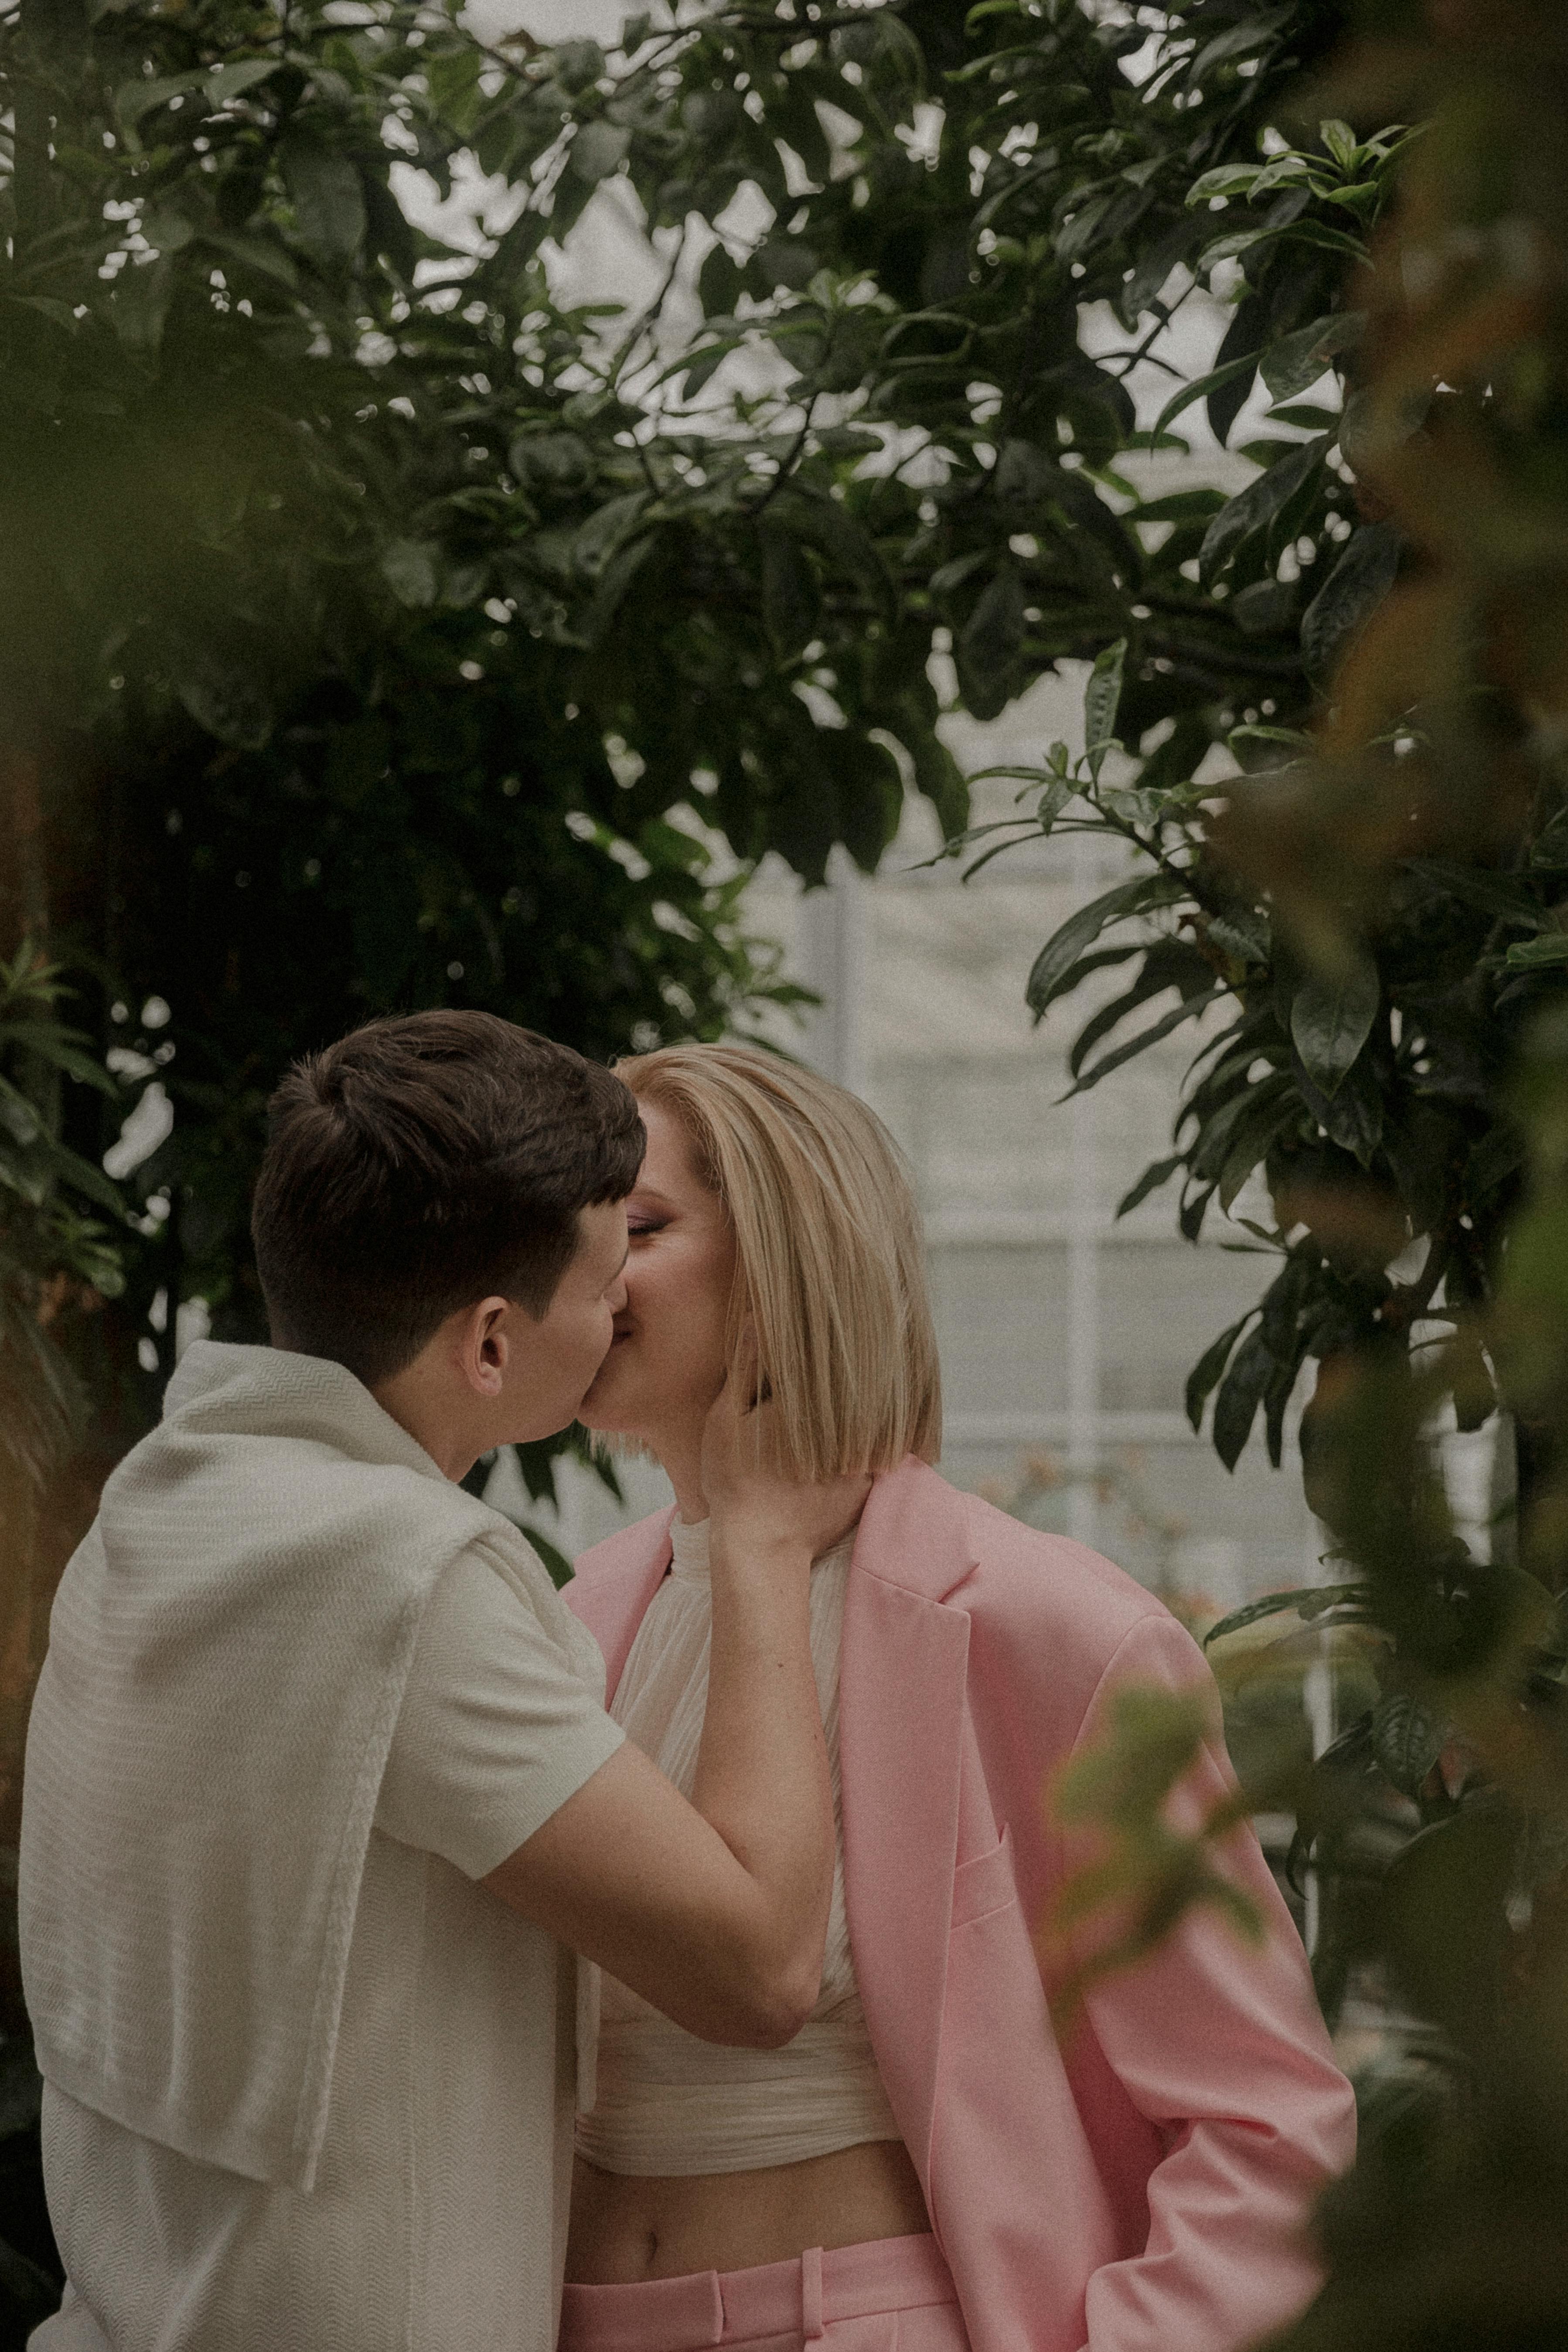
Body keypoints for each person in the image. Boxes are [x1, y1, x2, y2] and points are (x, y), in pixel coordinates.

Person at [19, 1011, 858, 2352]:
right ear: (486, 1344)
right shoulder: (404, 1578)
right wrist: (758, 1550)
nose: (619, 1311)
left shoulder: (160, 1507)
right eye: (601, 1277)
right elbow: (757, 1968)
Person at [563, 1040, 1357, 2352]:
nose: (584, 1272)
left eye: (638, 1225)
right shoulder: (573, 1616)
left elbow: (1266, 2124)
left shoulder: (1052, 1627)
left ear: (787, 1251)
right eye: (570, 1232)